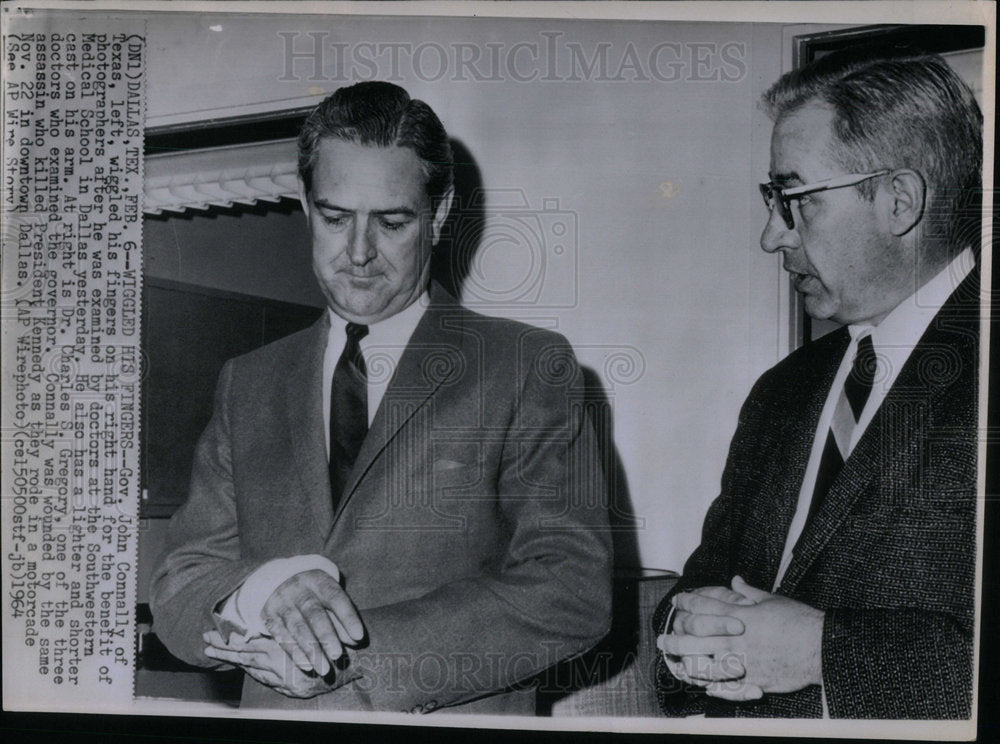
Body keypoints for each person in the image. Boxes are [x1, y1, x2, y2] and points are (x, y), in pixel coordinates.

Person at [150, 81, 612, 715]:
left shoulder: (525, 366)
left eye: (392, 222)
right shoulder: (248, 381)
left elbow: (571, 588)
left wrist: (352, 660)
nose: (359, 253)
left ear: (439, 214)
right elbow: (181, 583)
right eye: (336, 218)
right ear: (308, 209)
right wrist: (262, 592)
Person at [653, 47, 982, 718]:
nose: (772, 236)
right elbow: (699, 588)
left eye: (794, 199)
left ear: (900, 200)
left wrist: (821, 654)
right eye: (771, 200)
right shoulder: (783, 390)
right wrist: (685, 635)